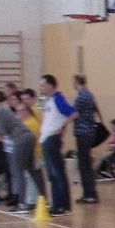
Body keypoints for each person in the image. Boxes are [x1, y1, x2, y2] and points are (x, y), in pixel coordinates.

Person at [38, 75, 76, 216]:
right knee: (51, 175)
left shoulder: (58, 99)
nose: (41, 88)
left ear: (50, 85)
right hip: (45, 138)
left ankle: (63, 206)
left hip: (53, 138)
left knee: (57, 173)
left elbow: (74, 113)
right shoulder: (44, 98)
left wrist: (63, 126)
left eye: (43, 85)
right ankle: (56, 204)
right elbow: (39, 110)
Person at [71, 75, 102, 204]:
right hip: (89, 132)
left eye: (73, 82)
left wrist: (63, 124)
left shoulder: (81, 97)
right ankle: (90, 193)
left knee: (84, 165)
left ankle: (89, 194)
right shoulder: (89, 94)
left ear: (76, 82)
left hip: (82, 133)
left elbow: (74, 114)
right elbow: (97, 110)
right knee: (86, 164)